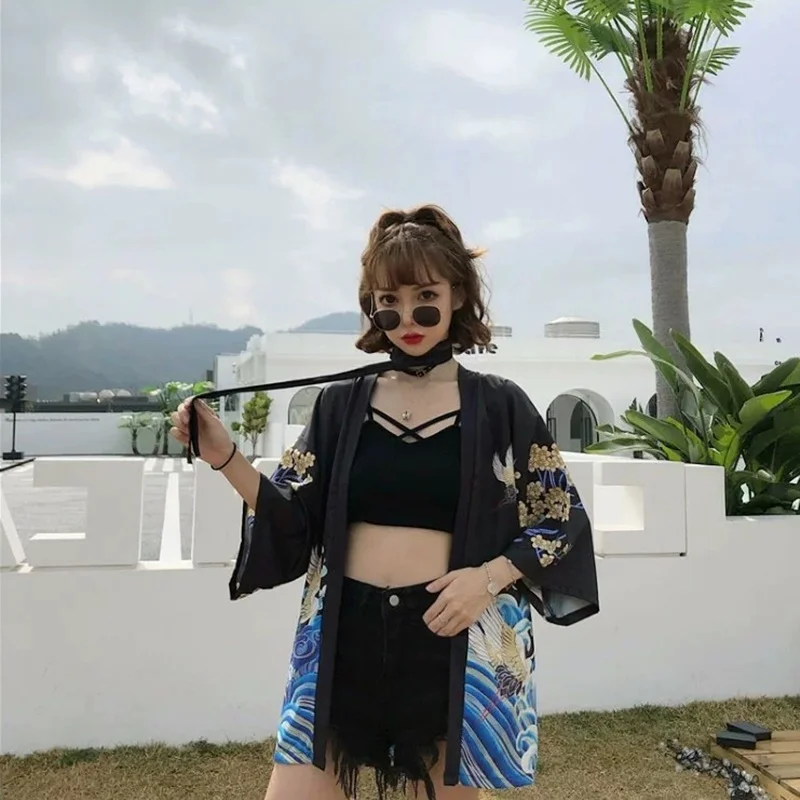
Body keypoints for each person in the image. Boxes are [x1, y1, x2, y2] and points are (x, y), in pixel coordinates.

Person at [169, 204, 599, 800]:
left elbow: (559, 517)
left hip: (454, 634)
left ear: (457, 296)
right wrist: (226, 458)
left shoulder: (500, 406)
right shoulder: (341, 404)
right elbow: (293, 517)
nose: (407, 318)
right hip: (343, 634)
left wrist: (487, 579)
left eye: (426, 296)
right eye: (388, 301)